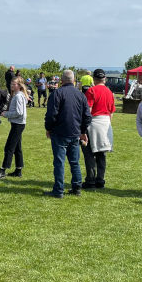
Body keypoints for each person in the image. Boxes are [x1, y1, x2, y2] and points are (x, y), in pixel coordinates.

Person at [44, 70, 92, 198]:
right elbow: (87, 116)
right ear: (74, 81)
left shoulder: (57, 93)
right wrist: (82, 131)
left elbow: (51, 115)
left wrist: (48, 128)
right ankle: (77, 187)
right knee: (74, 162)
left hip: (60, 133)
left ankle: (59, 190)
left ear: (61, 81)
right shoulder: (81, 95)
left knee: (59, 162)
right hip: (75, 133)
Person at [82, 69, 115, 190]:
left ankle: (90, 180)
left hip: (94, 123)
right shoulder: (109, 92)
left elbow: (88, 110)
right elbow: (111, 112)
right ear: (104, 79)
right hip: (105, 123)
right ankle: (100, 179)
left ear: (94, 79)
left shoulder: (91, 90)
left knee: (89, 153)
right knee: (102, 154)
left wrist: (83, 127)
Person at [0, 76, 27, 180]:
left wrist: (6, 114)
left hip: (18, 125)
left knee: (9, 147)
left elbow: (19, 112)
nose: (12, 85)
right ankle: (18, 170)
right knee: (17, 148)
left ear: (19, 85)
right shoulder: (18, 95)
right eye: (11, 84)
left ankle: (3, 170)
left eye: (14, 84)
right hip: (17, 124)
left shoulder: (18, 96)